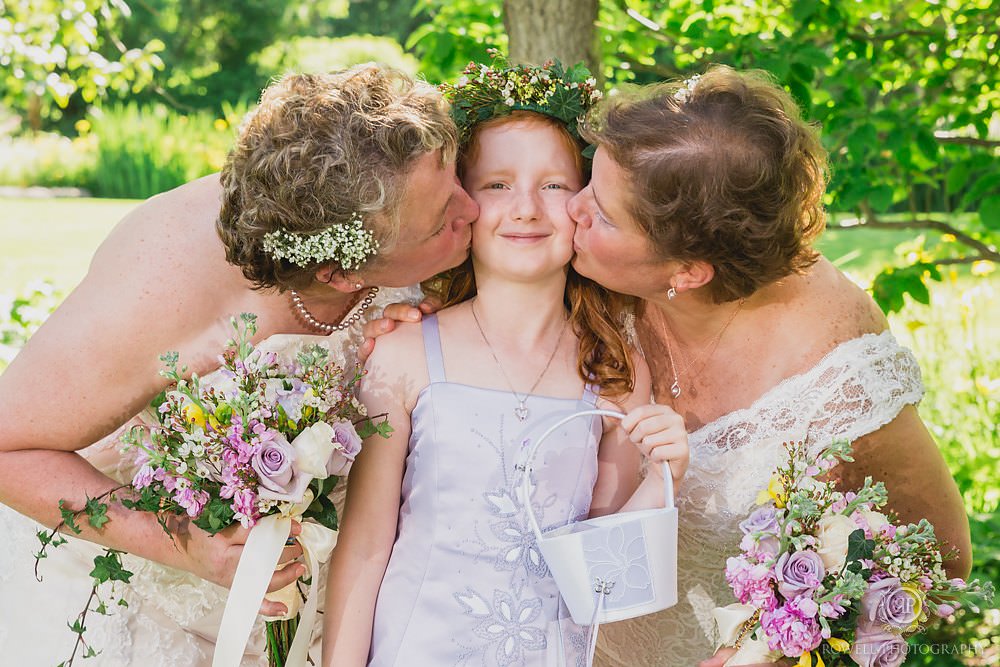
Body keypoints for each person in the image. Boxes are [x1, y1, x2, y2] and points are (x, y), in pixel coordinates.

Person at [0, 65, 479, 665]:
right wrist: (179, 544)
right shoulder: (160, 282)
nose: (474, 208)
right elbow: (8, 448)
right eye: (442, 222)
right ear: (340, 273)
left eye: (457, 176)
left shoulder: (392, 195)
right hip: (133, 597)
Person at [560, 66, 973, 666]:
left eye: (601, 214)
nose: (570, 207)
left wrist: (779, 649)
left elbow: (938, 558)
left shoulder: (834, 370)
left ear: (687, 272)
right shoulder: (588, 277)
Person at [322, 60, 690, 667]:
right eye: (497, 184)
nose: (525, 208)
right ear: (461, 203)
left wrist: (662, 475)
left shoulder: (615, 371)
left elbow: (604, 579)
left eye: (553, 184)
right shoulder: (405, 354)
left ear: (586, 204)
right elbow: (365, 543)